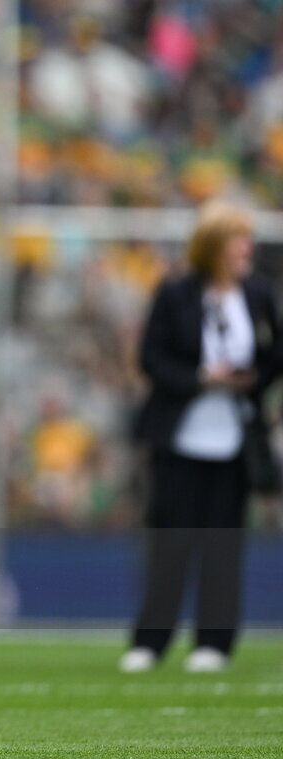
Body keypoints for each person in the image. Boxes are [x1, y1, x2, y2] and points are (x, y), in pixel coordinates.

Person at [123, 202, 280, 673]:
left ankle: (215, 641)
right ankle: (151, 641)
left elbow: (276, 354)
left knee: (223, 544)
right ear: (213, 248)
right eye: (237, 242)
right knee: (170, 543)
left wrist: (251, 380)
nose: (246, 251)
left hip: (234, 442)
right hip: (180, 438)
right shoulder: (175, 294)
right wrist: (199, 378)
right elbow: (151, 359)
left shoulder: (258, 294)